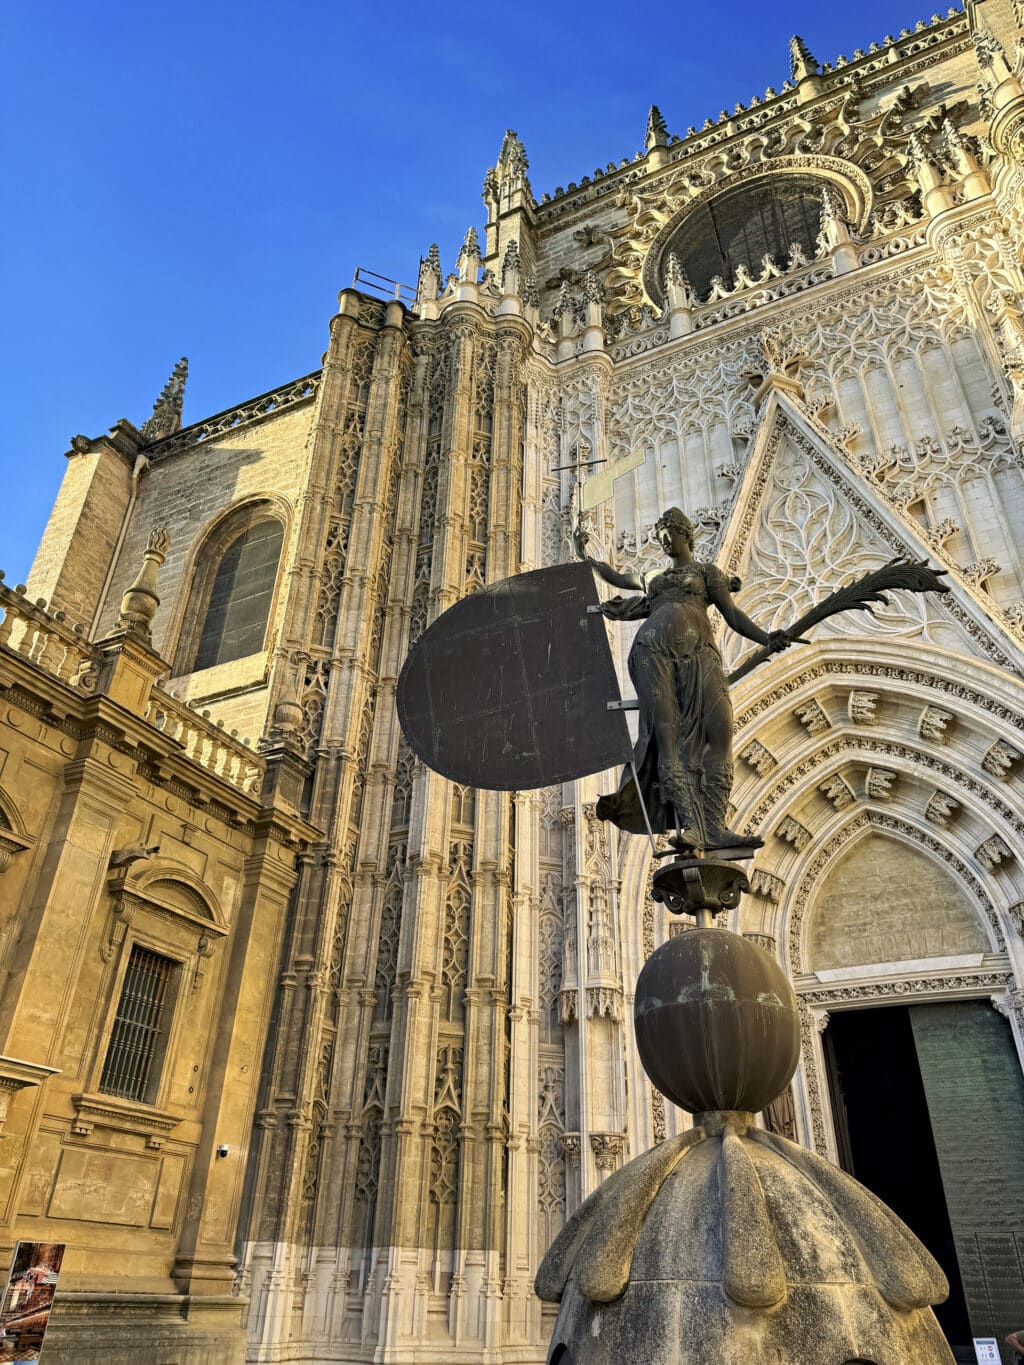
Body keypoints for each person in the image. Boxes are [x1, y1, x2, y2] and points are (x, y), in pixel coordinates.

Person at [582, 506, 789, 847]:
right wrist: (584, 556)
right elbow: (615, 577)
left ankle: (715, 825)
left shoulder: (707, 573)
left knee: (719, 731)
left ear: (685, 535)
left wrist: (767, 638)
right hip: (652, 653)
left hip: (700, 656)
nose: (664, 540)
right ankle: (692, 825)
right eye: (660, 535)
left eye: (669, 533)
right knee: (666, 737)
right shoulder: (653, 579)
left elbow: (733, 615)